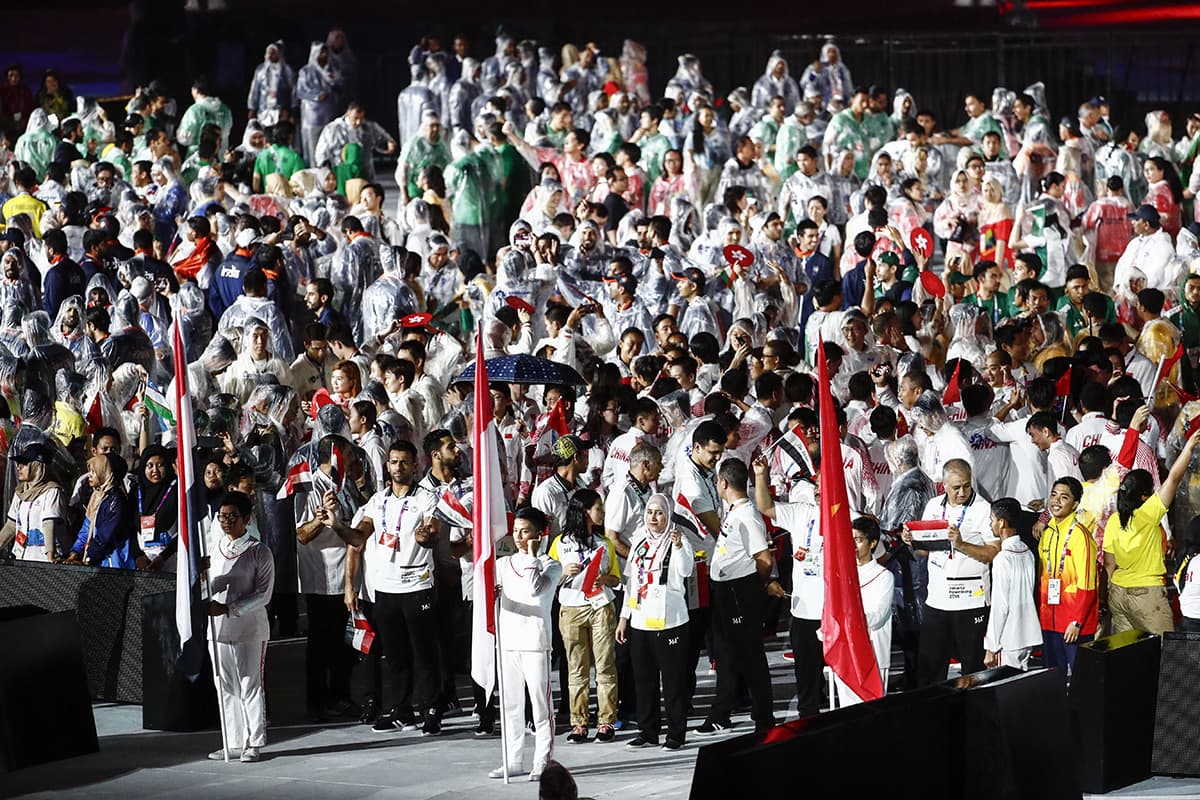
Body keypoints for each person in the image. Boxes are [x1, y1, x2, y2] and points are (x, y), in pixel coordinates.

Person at [695, 458, 782, 736]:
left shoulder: (747, 515)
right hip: (725, 591)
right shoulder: (735, 511)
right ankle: (722, 712)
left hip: (739, 591)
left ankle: (764, 717)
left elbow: (764, 558)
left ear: (723, 483)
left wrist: (754, 585)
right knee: (725, 654)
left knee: (749, 655)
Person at [902, 459, 997, 685]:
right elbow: (926, 551)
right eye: (956, 487)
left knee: (973, 668)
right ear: (943, 485)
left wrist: (962, 545)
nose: (962, 492)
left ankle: (974, 716)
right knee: (930, 668)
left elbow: (993, 552)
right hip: (937, 599)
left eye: (966, 485)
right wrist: (911, 542)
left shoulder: (983, 508)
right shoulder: (934, 506)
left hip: (970, 601)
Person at [490, 506, 562, 782]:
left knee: (540, 705)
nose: (519, 537)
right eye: (517, 531)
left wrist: (533, 556)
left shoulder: (550, 565)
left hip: (535, 643)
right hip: (508, 642)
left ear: (540, 534)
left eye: (526, 531)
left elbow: (535, 589)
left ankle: (542, 759)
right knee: (511, 705)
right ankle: (513, 759)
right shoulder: (503, 564)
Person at [617, 492, 693, 750]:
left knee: (672, 681)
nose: (654, 517)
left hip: (670, 621)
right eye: (650, 512)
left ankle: (676, 734)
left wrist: (681, 546)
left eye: (659, 513)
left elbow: (686, 571)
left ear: (668, 514)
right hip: (640, 622)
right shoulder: (639, 542)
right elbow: (631, 582)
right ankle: (648, 731)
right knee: (644, 679)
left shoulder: (677, 538)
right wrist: (623, 618)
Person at [1104, 428, 1200, 635]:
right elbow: (1173, 477)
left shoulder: (1114, 520)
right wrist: (1190, 446)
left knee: (1127, 652)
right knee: (1165, 654)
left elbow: (1109, 564)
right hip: (1146, 595)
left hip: (1119, 594)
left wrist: (1112, 591)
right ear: (1144, 497)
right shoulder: (1148, 515)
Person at [205, 491, 275, 763]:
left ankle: (253, 742)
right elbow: (209, 583)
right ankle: (232, 741)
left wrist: (229, 608)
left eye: (232, 517)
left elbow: (263, 594)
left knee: (250, 684)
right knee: (225, 685)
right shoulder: (214, 547)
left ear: (246, 518)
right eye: (222, 516)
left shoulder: (259, 552)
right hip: (218, 629)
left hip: (250, 629)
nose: (226, 522)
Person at [548, 489, 621, 744]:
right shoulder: (560, 543)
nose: (601, 512)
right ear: (584, 511)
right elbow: (547, 578)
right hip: (570, 608)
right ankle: (578, 723)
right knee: (576, 669)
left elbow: (616, 577)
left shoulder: (605, 543)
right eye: (597, 508)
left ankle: (606, 721)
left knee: (604, 665)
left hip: (600, 606)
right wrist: (563, 572)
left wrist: (604, 579)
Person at [1036, 478, 1098, 680]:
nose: (1056, 501)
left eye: (1064, 497)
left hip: (1074, 624)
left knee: (1082, 680)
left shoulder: (1081, 536)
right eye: (1053, 495)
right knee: (1052, 680)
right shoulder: (1047, 533)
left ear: (1075, 504)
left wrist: (1077, 621)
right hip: (1049, 621)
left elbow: (1088, 585)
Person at [982, 498, 1041, 671]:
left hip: (1008, 639)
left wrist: (991, 646)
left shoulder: (1002, 559)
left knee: (1005, 691)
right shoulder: (1028, 552)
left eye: (992, 519)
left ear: (1001, 523)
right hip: (1028, 635)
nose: (990, 524)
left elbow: (1000, 606)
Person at [0, 443, 65, 562]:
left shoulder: (51, 492)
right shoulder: (20, 492)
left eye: (24, 464)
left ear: (37, 467)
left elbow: (49, 524)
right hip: (22, 558)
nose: (18, 467)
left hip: (42, 560)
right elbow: (11, 525)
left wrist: (50, 557)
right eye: (18, 463)